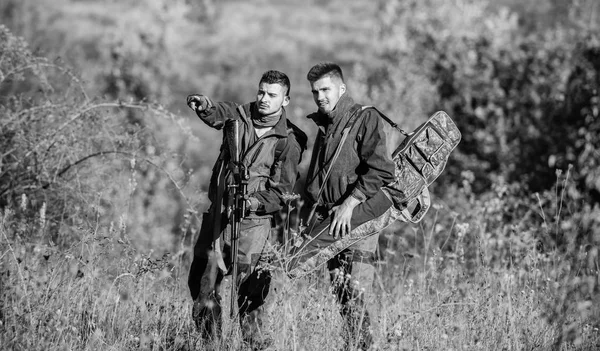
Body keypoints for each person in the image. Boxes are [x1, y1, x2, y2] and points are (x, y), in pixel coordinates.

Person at [186, 70, 306, 348]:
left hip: (254, 226)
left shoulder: (289, 140)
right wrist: (203, 105)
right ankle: (211, 343)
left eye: (272, 95)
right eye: (261, 92)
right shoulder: (237, 116)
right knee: (202, 283)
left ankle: (255, 346)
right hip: (218, 219)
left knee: (251, 297)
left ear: (285, 100)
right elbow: (216, 112)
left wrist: (253, 202)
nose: (264, 99)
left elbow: (283, 192)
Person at [292, 62, 396, 350]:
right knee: (343, 296)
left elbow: (381, 170)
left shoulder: (365, 118)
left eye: (326, 89)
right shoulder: (326, 124)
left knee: (359, 294)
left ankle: (369, 347)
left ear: (342, 88)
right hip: (330, 222)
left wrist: (350, 204)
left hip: (358, 220)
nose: (320, 97)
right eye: (315, 92)